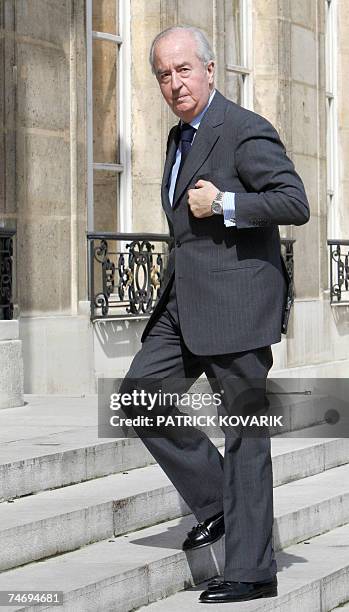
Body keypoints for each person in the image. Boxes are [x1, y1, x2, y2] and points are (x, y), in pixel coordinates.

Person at [119, 25, 309, 604]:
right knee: (138, 398)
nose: (174, 83)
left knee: (246, 437)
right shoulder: (179, 137)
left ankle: (253, 571)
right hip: (183, 308)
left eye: (183, 70)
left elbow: (293, 201)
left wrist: (224, 203)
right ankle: (220, 504)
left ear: (209, 69)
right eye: (163, 75)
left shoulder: (244, 128)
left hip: (238, 308)